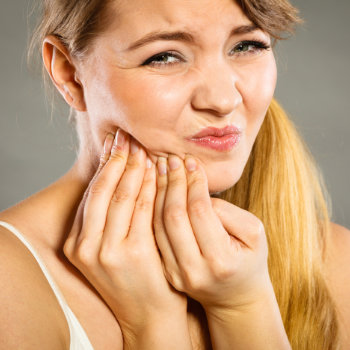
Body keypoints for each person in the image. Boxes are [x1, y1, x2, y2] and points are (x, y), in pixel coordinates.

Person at [0, 0, 349, 349]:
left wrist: (244, 307)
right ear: (68, 73)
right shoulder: (9, 283)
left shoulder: (334, 260)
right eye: (165, 56)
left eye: (247, 46)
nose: (224, 99)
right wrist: (155, 323)